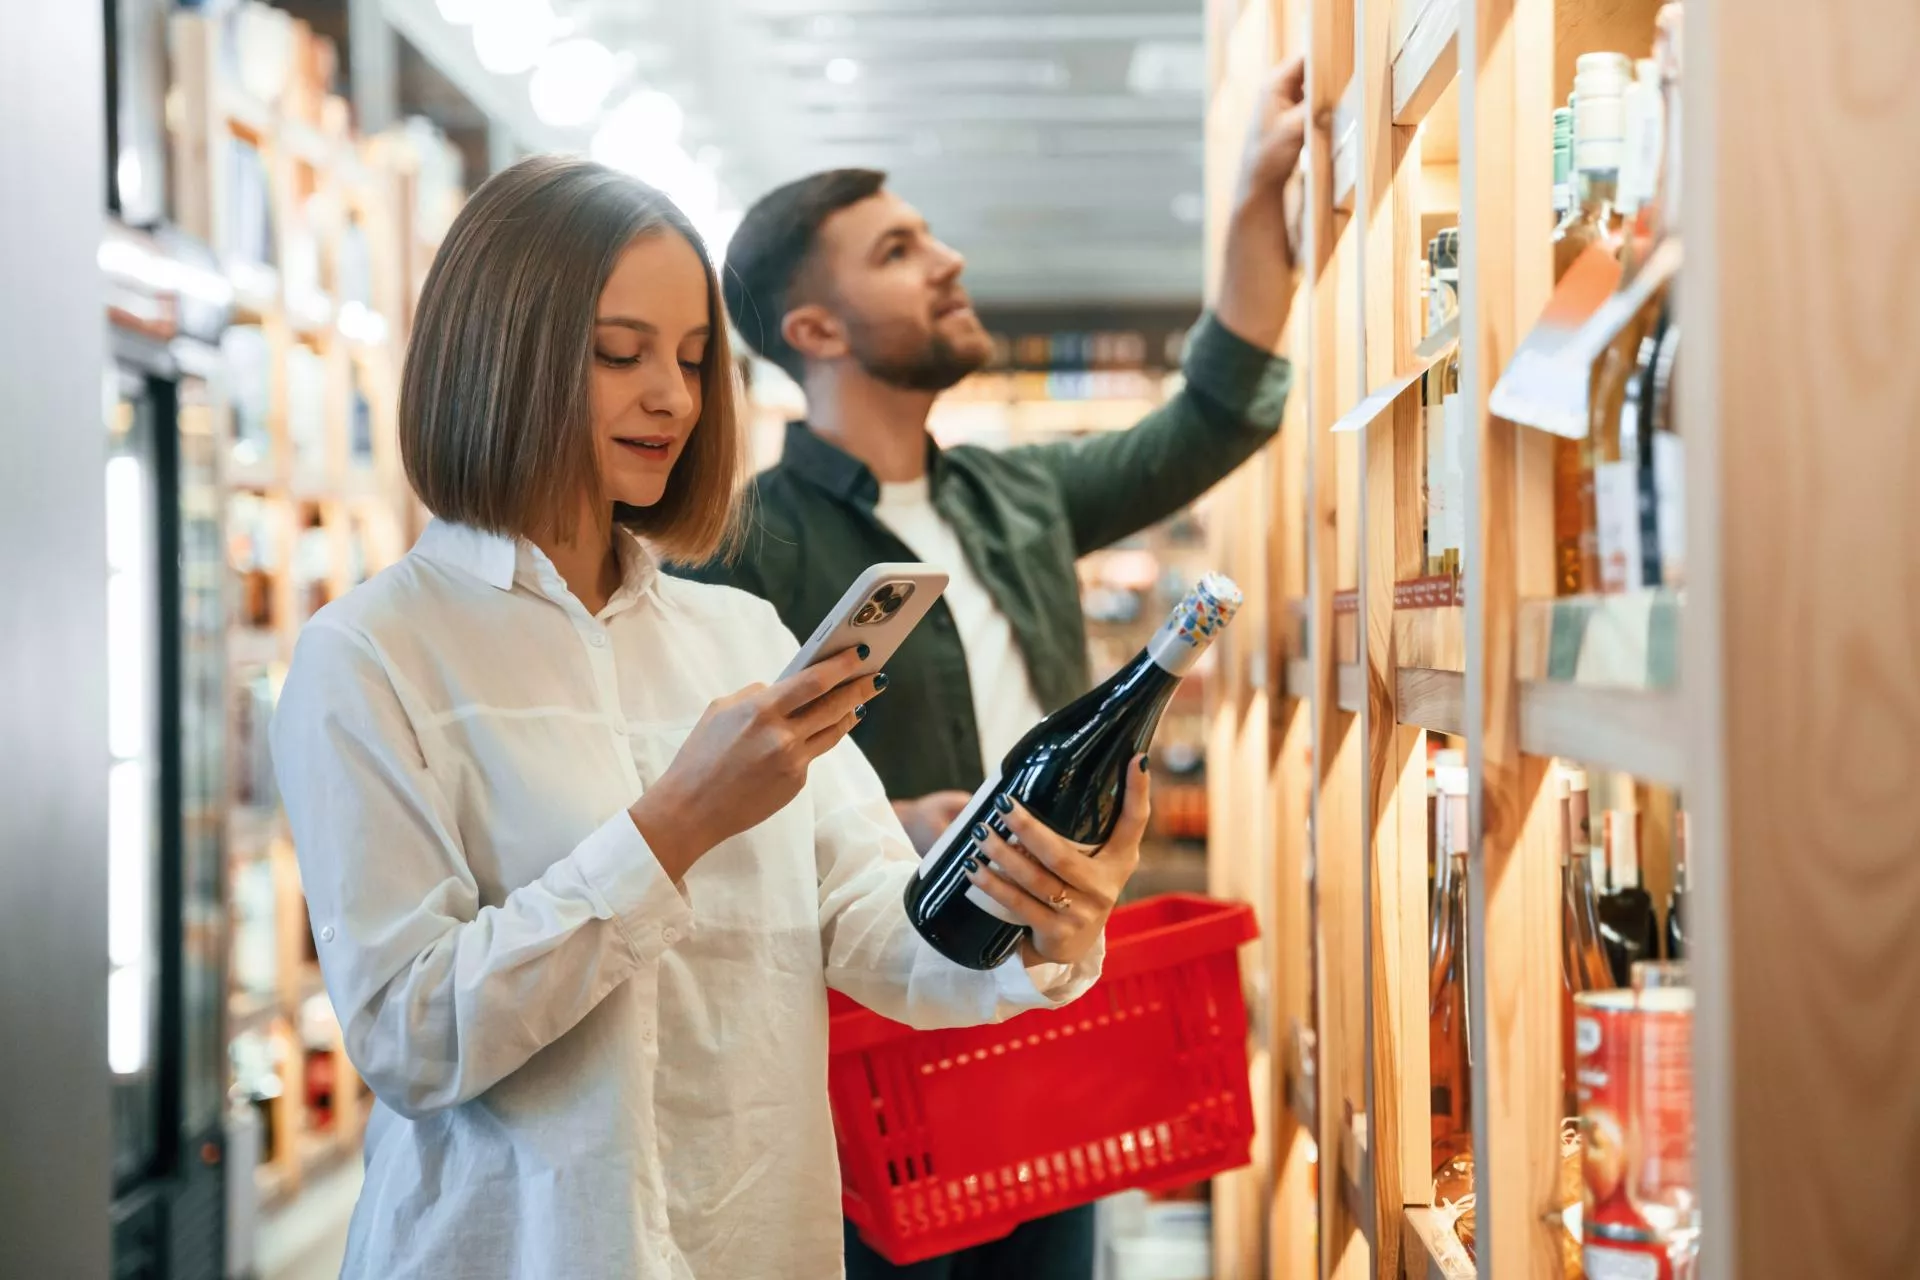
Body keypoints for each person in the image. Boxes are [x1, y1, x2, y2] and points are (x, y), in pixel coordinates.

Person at [269, 154, 1151, 1280]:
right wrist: (676, 824)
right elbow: (411, 1032)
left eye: (693, 360)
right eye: (619, 354)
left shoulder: (739, 635)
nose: (675, 398)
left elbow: (880, 933)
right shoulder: (372, 655)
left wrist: (1040, 923)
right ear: (500, 354)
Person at [677, 56, 1309, 1279]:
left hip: (1042, 1010)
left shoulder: (1014, 494)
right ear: (813, 328)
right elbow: (688, 792)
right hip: (874, 1058)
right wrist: (881, 819)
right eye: (900, 250)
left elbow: (1216, 411)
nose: (949, 257)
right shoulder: (738, 549)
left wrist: (1250, 194)